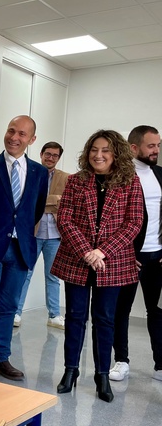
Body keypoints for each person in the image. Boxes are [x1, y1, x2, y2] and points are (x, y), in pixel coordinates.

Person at [51, 130, 143, 403]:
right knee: (75, 317)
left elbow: (134, 223)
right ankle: (70, 371)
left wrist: (102, 251)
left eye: (105, 150)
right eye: (94, 149)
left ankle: (102, 375)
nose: (98, 155)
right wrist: (87, 252)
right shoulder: (76, 181)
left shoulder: (130, 182)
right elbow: (64, 219)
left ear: (117, 154)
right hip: (76, 260)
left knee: (104, 320)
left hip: (112, 263)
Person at [0, 116, 48, 381]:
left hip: (20, 248)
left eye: (22, 134)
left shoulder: (38, 172)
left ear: (32, 140)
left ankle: (1, 357)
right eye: (11, 131)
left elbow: (34, 211)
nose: (15, 137)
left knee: (9, 306)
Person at [110, 125, 162, 382]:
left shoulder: (161, 174)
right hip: (130, 256)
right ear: (134, 148)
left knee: (158, 312)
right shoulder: (120, 177)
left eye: (158, 145)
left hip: (158, 257)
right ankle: (121, 360)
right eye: (151, 146)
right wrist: (125, 252)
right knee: (122, 311)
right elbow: (114, 220)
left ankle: (160, 364)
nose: (156, 150)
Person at [14, 142, 71, 329]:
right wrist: (54, 200)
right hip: (33, 232)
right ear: (41, 154)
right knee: (25, 273)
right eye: (48, 154)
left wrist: (50, 202)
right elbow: (27, 202)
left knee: (53, 276)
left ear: (59, 157)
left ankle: (54, 315)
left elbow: (66, 204)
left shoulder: (67, 178)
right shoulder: (33, 173)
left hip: (55, 235)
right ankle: (16, 312)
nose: (51, 158)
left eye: (55, 155)